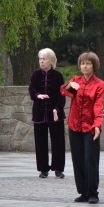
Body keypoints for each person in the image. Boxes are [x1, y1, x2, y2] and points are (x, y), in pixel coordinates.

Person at [61, 52, 104, 205]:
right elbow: (63, 91)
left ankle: (93, 192)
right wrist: (70, 85)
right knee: (78, 160)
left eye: (88, 63)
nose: (84, 66)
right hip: (74, 126)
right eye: (82, 63)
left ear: (94, 66)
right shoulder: (75, 80)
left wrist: (97, 125)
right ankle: (83, 192)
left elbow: (98, 107)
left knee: (90, 159)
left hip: (90, 127)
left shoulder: (99, 84)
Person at [28, 48, 66, 179]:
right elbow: (32, 89)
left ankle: (58, 169)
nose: (41, 61)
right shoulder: (35, 75)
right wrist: (38, 95)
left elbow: (62, 95)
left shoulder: (58, 76)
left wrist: (57, 108)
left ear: (51, 60)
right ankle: (43, 169)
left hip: (55, 114)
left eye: (44, 59)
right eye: (40, 59)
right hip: (39, 113)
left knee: (58, 142)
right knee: (40, 142)